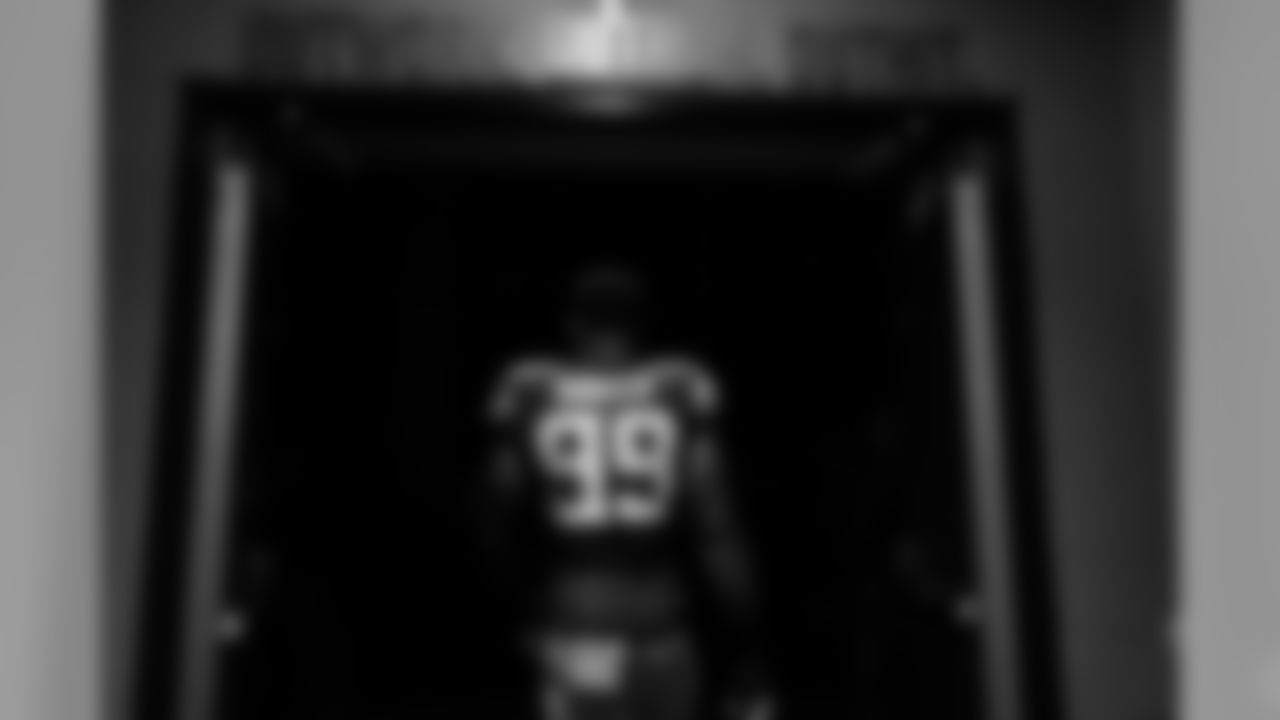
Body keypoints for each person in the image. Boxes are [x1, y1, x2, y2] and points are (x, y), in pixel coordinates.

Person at [480, 264, 772, 720]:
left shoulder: (532, 390)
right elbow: (719, 532)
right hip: (663, 630)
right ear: (641, 324)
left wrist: (517, 612)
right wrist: (749, 646)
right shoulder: (678, 388)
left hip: (579, 622)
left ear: (572, 322)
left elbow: (495, 518)